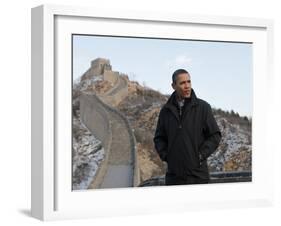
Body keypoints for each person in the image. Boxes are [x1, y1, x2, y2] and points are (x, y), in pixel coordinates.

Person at [153, 69, 221, 185]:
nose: (187, 86)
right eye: (182, 83)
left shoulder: (203, 107)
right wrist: (168, 157)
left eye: (189, 82)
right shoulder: (166, 111)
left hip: (198, 176)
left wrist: (199, 156)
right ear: (173, 86)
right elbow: (159, 138)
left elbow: (215, 135)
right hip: (174, 178)